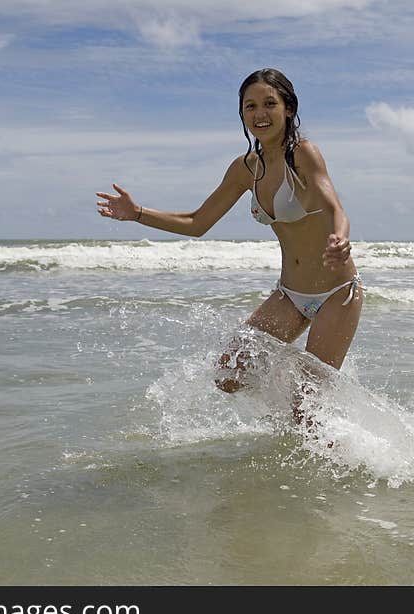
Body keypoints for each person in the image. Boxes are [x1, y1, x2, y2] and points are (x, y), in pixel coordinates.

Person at [96, 68, 362, 400]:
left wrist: (340, 237)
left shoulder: (303, 154)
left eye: (269, 103)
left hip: (336, 295)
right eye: (250, 106)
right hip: (290, 295)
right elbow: (197, 223)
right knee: (229, 373)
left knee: (305, 405)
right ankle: (293, 400)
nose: (259, 114)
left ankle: (336, 439)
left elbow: (335, 206)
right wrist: (137, 214)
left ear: (288, 108)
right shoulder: (245, 169)